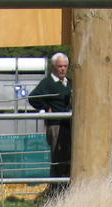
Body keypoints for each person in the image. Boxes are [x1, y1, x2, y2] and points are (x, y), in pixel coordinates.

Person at [29, 52, 72, 183]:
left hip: (69, 124)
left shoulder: (69, 82)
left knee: (69, 157)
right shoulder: (47, 83)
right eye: (60, 66)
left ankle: (67, 187)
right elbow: (33, 98)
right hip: (55, 125)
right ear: (53, 67)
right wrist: (46, 107)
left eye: (65, 66)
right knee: (58, 157)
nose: (63, 69)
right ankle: (56, 187)